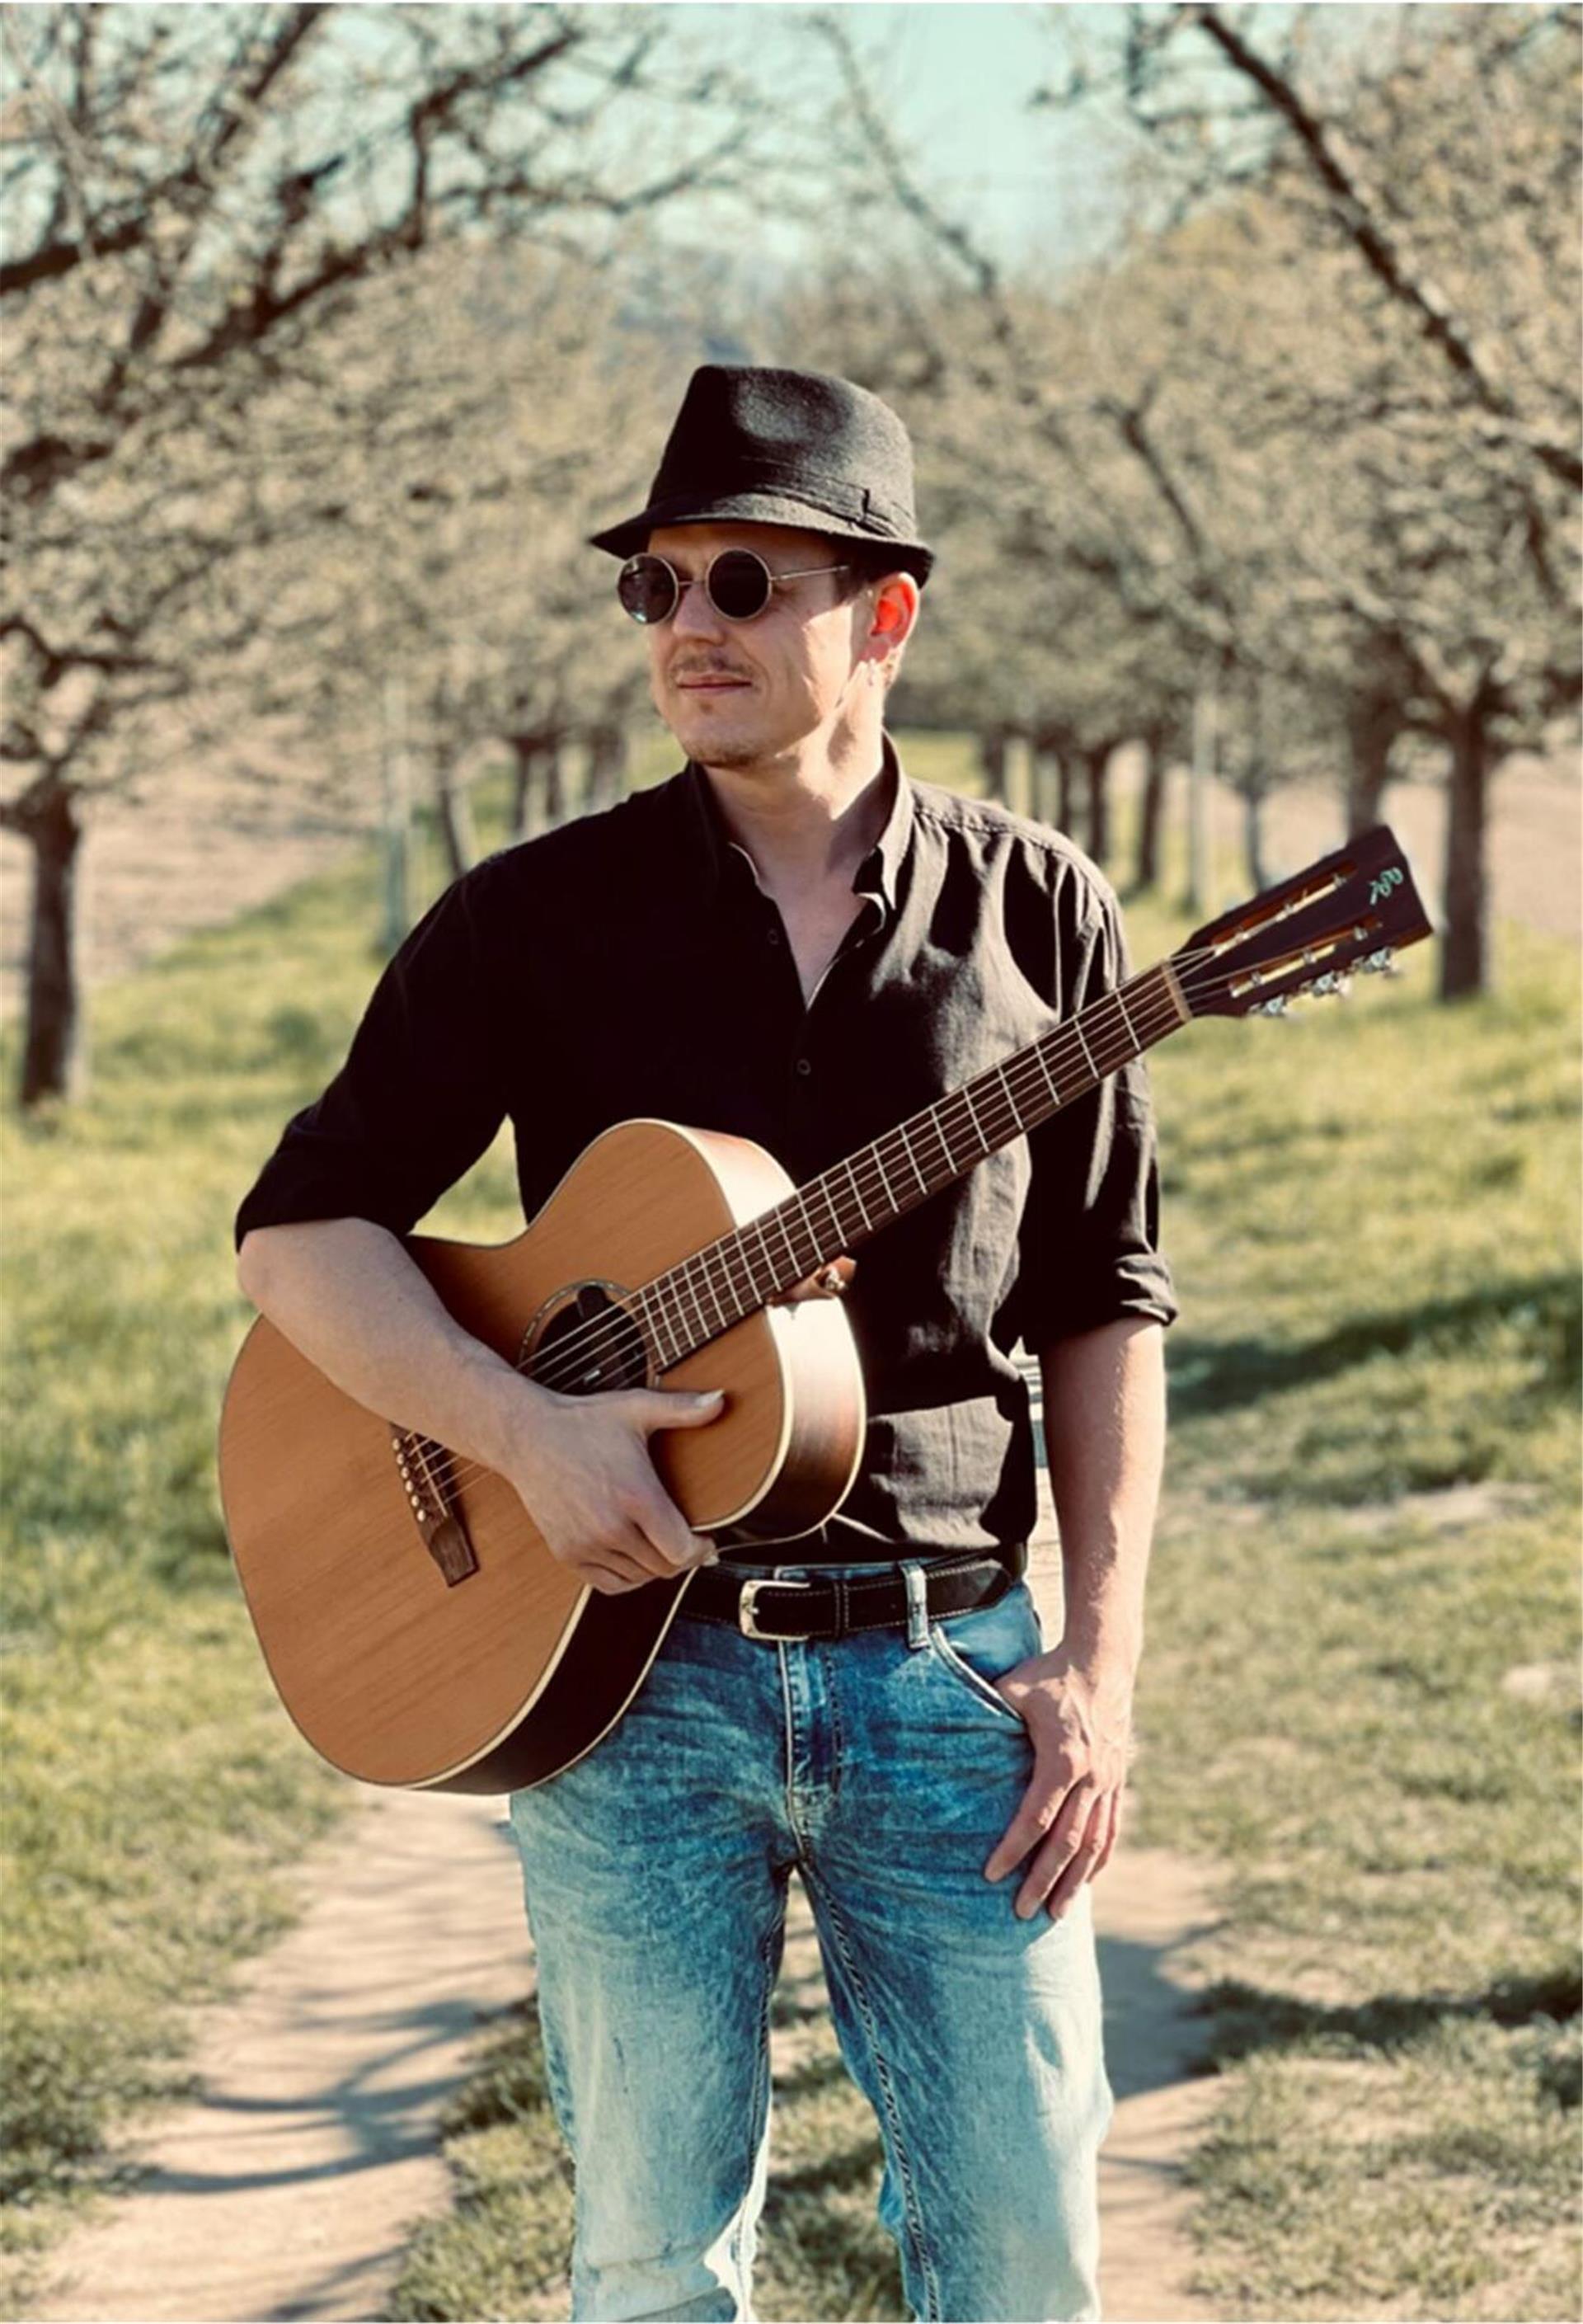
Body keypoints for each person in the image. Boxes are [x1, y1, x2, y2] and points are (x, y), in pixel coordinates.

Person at [233, 364, 1175, 2324]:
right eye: (655, 588)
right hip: (629, 1680)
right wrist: (514, 1423)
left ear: (883, 613)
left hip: (958, 1684)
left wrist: (1101, 1660)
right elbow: (299, 1238)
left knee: (1022, 2265)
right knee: (652, 2271)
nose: (688, 629)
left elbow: (1101, 1305)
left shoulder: (1043, 919)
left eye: (743, 582)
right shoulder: (531, 919)